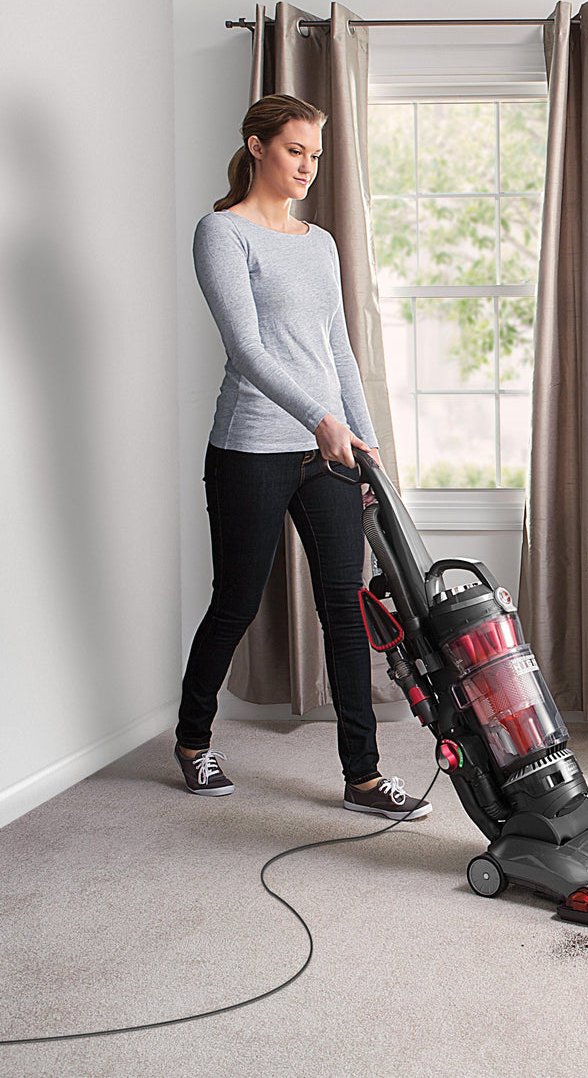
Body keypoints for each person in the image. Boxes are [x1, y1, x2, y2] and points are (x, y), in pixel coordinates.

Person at [178, 93, 430, 822]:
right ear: (256, 146)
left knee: (344, 610)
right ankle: (194, 742)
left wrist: (362, 432)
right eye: (295, 151)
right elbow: (247, 351)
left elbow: (337, 348)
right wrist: (320, 418)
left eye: (316, 155)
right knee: (236, 602)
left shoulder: (318, 242)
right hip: (252, 447)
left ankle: (362, 776)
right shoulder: (221, 234)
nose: (307, 168)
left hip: (328, 451)